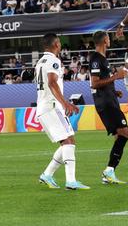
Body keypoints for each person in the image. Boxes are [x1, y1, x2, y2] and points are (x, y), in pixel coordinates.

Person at [35, 33, 89, 190]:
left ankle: (47, 175)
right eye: (59, 42)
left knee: (68, 140)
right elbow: (52, 83)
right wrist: (65, 103)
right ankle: (71, 181)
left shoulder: (40, 62)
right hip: (52, 107)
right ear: (56, 44)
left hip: (45, 107)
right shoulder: (53, 60)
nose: (60, 45)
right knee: (68, 141)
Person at [89, 31, 128, 184]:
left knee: (120, 135)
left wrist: (114, 90)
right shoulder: (96, 58)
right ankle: (109, 171)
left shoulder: (103, 59)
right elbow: (94, 83)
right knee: (125, 133)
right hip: (106, 103)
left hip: (110, 99)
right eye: (108, 37)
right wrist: (116, 77)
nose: (110, 40)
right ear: (105, 40)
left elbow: (103, 82)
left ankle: (109, 173)